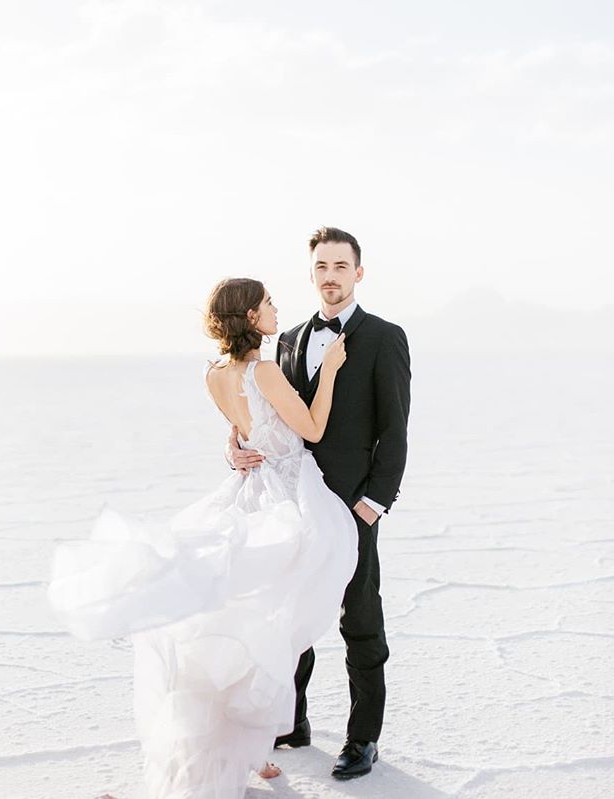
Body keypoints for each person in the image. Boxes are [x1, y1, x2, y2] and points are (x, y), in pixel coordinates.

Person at [48, 277, 358, 799]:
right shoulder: (263, 369)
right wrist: (328, 373)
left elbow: (242, 428)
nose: (276, 309)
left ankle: (248, 745)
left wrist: (233, 444)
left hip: (245, 490)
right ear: (250, 317)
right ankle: (247, 742)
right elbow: (312, 429)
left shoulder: (214, 373)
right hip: (284, 496)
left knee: (238, 620)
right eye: (268, 304)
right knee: (268, 620)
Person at [229, 227, 411, 780]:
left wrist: (373, 504)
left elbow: (395, 431)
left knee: (359, 621)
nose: (330, 275)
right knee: (291, 617)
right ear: (311, 275)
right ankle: (293, 720)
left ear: (358, 272)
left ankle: (362, 740)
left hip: (351, 507)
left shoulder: (384, 337)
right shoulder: (285, 340)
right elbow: (272, 414)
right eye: (321, 266)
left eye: (340, 265)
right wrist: (235, 444)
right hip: (293, 504)